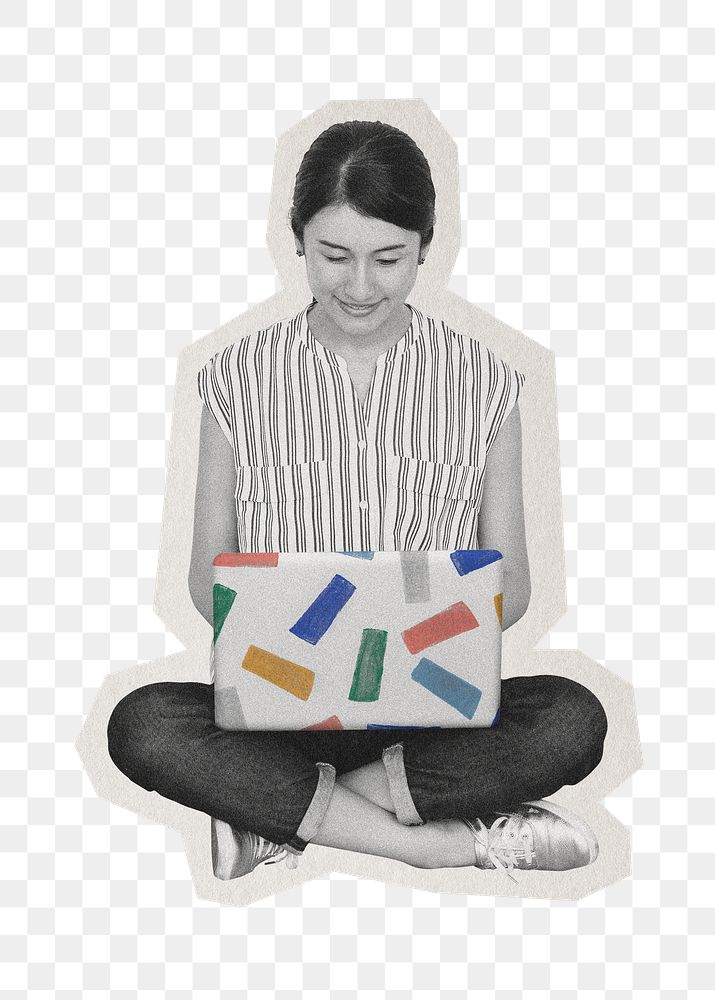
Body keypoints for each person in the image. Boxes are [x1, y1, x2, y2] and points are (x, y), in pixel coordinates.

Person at [107, 120, 608, 881]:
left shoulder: (485, 382)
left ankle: (280, 820)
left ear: (426, 246)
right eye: (334, 256)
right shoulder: (234, 378)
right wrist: (311, 632)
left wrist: (404, 628)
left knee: (572, 718)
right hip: (280, 708)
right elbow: (207, 578)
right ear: (296, 239)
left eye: (389, 258)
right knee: (141, 724)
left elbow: (510, 590)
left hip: (429, 711)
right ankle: (435, 843)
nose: (361, 286)